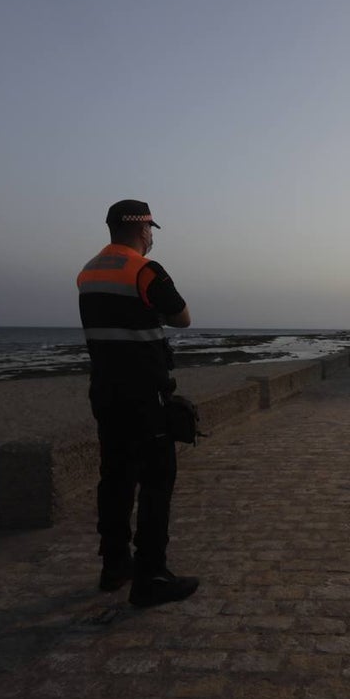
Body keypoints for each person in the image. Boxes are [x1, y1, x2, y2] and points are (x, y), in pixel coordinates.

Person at [77, 199, 200, 608]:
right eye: (150, 230)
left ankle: (114, 565)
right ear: (142, 229)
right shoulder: (145, 270)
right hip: (145, 395)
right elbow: (182, 317)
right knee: (156, 482)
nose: (151, 237)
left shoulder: (88, 273)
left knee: (115, 477)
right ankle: (151, 576)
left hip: (105, 392)